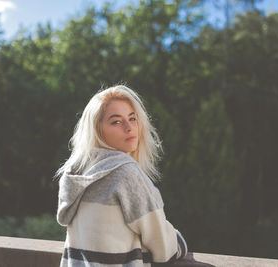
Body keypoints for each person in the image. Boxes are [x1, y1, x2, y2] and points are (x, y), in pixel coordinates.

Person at [55, 85, 188, 267]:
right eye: (116, 121)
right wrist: (179, 243)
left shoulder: (76, 173)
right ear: (96, 130)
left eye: (132, 118)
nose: (129, 127)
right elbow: (163, 247)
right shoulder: (125, 173)